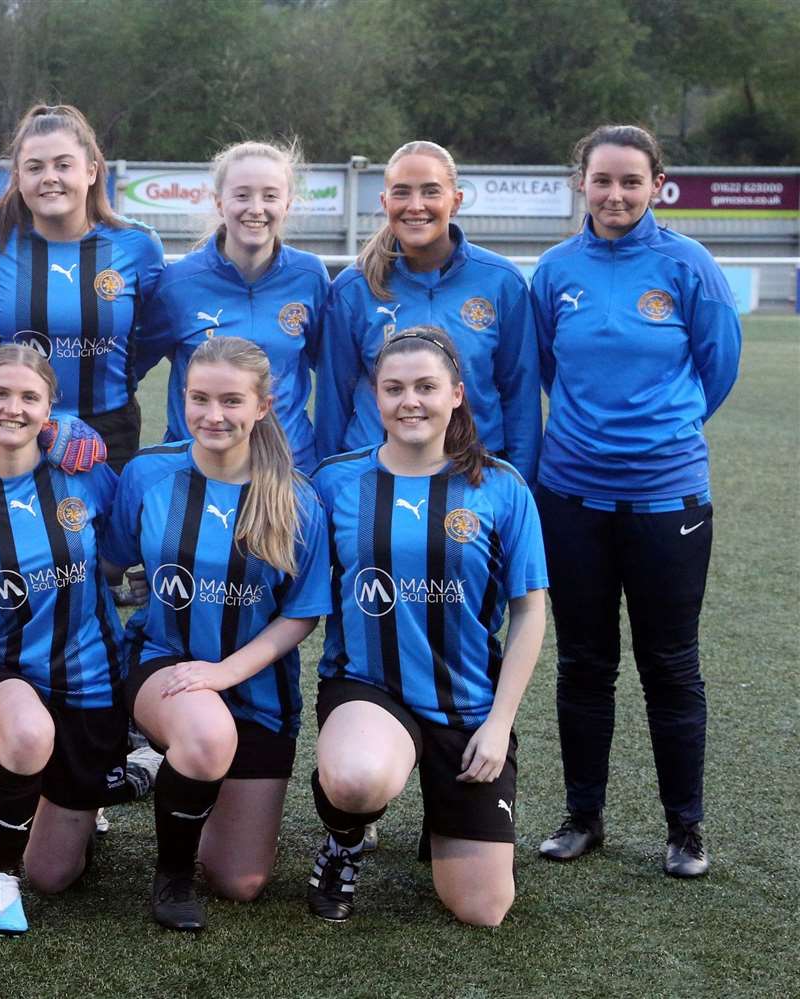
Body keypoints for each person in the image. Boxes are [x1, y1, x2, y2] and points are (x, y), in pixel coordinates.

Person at [528, 125, 741, 877]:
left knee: (671, 664)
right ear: (579, 182)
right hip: (573, 498)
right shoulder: (554, 272)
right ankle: (584, 816)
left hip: (668, 497)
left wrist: (659, 434)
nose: (614, 194)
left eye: (630, 181)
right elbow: (548, 369)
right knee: (584, 661)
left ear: (658, 185)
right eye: (601, 180)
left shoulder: (689, 266)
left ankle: (686, 829)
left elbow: (717, 369)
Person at [305, 326, 548, 927]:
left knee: (482, 910)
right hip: (369, 687)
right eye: (393, 388)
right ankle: (345, 841)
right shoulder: (336, 482)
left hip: (465, 705)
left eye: (426, 387)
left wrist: (499, 726)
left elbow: (529, 611)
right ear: (374, 397)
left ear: (457, 394)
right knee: (359, 780)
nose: (409, 401)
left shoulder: (500, 486)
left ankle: (445, 809)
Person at [105, 336, 329, 931]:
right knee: (205, 736)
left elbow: (301, 612)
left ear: (263, 405)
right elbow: (105, 565)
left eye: (232, 400)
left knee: (241, 881)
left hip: (256, 691)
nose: (213, 415)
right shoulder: (150, 474)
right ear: (183, 399)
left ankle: (165, 773)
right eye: (199, 399)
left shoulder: (297, 497)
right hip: (166, 665)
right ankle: (172, 878)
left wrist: (227, 672)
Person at [0, 345, 162, 935]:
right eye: (1, 394)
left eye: (30, 397)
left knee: (56, 874)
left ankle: (130, 773)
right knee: (28, 733)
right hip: (1, 668)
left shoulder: (84, 474)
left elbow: (127, 551)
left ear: (50, 407)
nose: (13, 408)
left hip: (89, 678)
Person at [315, 141, 541, 480]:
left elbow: (520, 397)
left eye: (431, 192)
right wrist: (331, 486)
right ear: (385, 201)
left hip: (475, 476)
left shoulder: (501, 282)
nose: (415, 206)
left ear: (456, 201)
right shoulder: (353, 288)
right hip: (374, 480)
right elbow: (333, 401)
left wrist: (520, 485)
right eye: (402, 193)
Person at [0, 104, 167, 468]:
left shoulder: (137, 245)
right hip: (14, 423)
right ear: (18, 175)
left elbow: (157, 332)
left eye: (63, 165)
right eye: (35, 167)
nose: (49, 177)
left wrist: (114, 372)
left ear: (91, 171)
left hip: (110, 428)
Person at [148, 140, 330, 474]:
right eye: (242, 195)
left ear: (288, 204)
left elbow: (333, 370)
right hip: (197, 470)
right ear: (219, 202)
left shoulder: (309, 276)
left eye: (270, 196)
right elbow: (128, 368)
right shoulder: (178, 283)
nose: (256, 208)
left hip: (288, 467)